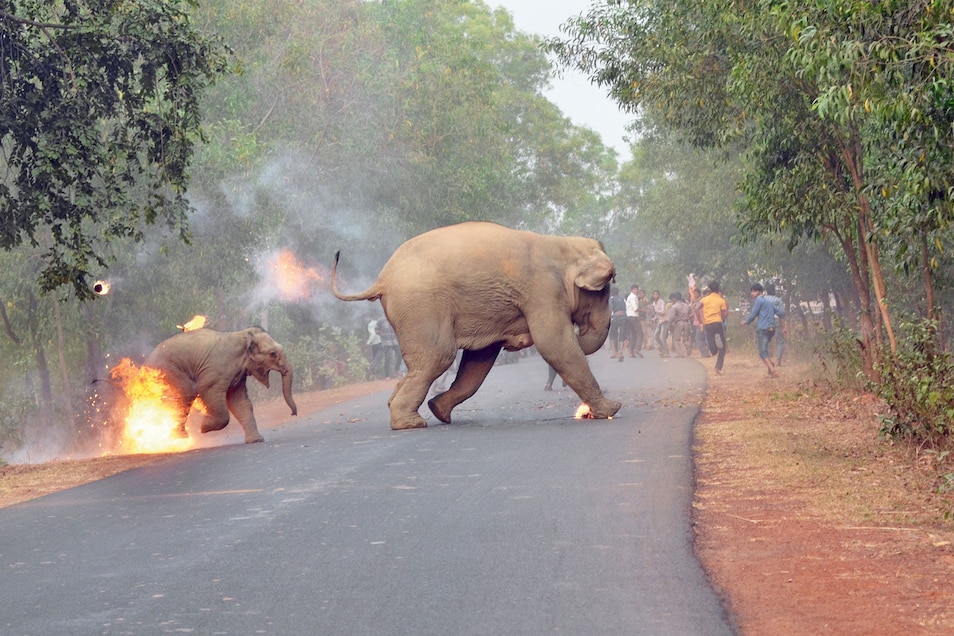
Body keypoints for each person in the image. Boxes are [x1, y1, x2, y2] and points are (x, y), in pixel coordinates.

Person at [741, 282, 786, 378]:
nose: (752, 293)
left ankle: (773, 371)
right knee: (765, 349)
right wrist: (783, 327)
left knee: (762, 352)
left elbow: (753, 314)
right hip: (771, 329)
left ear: (760, 292)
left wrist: (746, 322)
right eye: (752, 291)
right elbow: (781, 313)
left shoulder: (759, 301)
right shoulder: (768, 302)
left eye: (754, 291)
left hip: (763, 329)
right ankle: (770, 366)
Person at [700, 281, 729, 374]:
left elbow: (696, 308)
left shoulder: (705, 299)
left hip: (708, 323)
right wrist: (722, 320)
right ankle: (718, 368)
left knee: (711, 345)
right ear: (718, 288)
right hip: (718, 322)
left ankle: (714, 348)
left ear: (709, 289)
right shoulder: (721, 300)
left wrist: (701, 321)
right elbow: (724, 313)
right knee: (723, 348)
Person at [765, 283, 787, 366]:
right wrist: (784, 327)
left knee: (766, 340)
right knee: (780, 341)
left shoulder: (763, 300)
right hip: (776, 321)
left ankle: (768, 359)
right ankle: (778, 361)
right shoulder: (778, 300)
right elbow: (781, 314)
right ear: (774, 291)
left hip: (766, 322)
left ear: (766, 291)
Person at [667, 292, 692, 357]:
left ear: (675, 298)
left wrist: (669, 325)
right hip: (686, 322)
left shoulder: (674, 306)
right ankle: (688, 345)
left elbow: (672, 317)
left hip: (679, 323)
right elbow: (690, 314)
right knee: (686, 339)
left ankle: (680, 354)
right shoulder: (686, 305)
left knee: (676, 340)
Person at [608, 286, 628, 361]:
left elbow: (610, 309)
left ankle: (614, 352)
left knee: (612, 335)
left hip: (616, 318)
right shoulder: (622, 299)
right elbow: (625, 308)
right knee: (622, 335)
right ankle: (620, 352)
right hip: (624, 317)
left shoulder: (612, 299)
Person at [625, 284, 644, 357]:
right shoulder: (632, 297)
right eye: (635, 289)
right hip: (633, 317)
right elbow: (635, 308)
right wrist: (644, 310)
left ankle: (631, 351)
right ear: (632, 290)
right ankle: (637, 349)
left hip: (630, 317)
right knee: (640, 334)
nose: (636, 290)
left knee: (633, 335)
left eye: (637, 289)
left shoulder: (633, 297)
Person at [650, 290, 668, 356]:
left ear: (659, 295)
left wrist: (657, 311)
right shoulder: (654, 303)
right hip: (659, 321)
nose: (655, 295)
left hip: (664, 320)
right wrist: (653, 319)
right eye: (654, 294)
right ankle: (662, 350)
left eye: (656, 294)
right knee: (656, 336)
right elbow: (657, 314)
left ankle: (667, 353)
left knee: (663, 337)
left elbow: (663, 311)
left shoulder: (662, 301)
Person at [365, 315, 382, 379]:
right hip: (379, 342)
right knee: (377, 357)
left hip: (375, 343)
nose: (366, 320)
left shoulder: (370, 325)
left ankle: (371, 369)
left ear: (370, 317)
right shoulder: (377, 322)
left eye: (366, 318)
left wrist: (368, 342)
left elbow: (373, 334)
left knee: (376, 357)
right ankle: (371, 370)